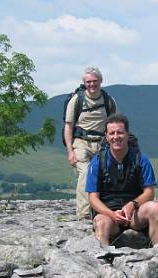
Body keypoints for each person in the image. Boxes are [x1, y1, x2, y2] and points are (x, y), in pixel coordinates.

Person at [85, 113, 158, 246]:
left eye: (120, 132)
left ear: (127, 134)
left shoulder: (140, 159)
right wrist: (111, 214)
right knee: (100, 223)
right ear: (106, 136)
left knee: (156, 208)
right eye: (112, 133)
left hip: (135, 214)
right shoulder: (98, 161)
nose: (116, 137)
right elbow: (93, 198)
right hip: (109, 215)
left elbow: (149, 192)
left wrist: (132, 205)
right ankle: (103, 261)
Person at [64, 66, 116, 220]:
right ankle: (84, 215)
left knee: (105, 176)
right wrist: (70, 151)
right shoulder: (76, 100)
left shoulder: (108, 101)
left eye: (95, 81)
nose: (92, 84)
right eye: (88, 82)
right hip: (81, 143)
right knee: (87, 173)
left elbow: (114, 124)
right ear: (84, 83)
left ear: (101, 81)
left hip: (102, 144)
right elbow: (68, 126)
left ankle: (103, 210)